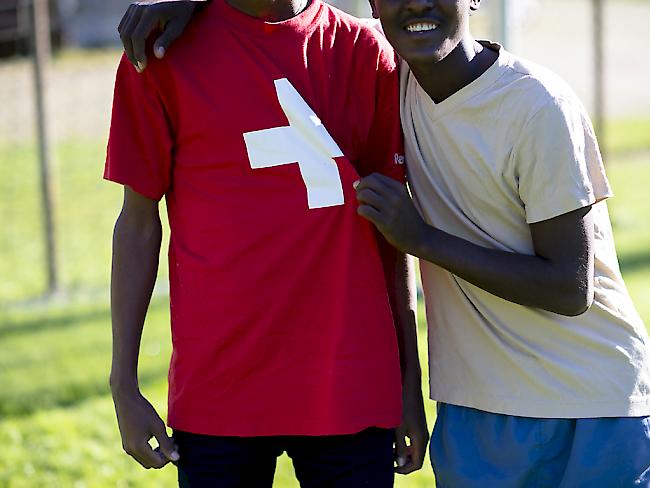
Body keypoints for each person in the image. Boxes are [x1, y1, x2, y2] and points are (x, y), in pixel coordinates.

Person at [118, 0, 650, 486]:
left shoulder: (507, 95)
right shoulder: (166, 53)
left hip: (568, 400)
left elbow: (562, 284)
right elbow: (139, 221)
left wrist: (407, 368)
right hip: (458, 405)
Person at [106, 0, 428, 486]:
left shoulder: (366, 52)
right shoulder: (160, 51)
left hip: (349, 384)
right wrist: (123, 383)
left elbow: (391, 233)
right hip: (220, 389)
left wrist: (408, 381)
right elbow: (137, 224)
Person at [354, 0, 650, 486]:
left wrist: (421, 239)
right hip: (475, 409)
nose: (416, 3)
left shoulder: (536, 104)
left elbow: (569, 287)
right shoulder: (390, 75)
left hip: (592, 408)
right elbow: (285, 18)